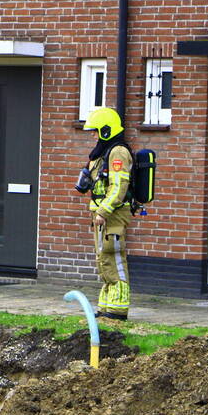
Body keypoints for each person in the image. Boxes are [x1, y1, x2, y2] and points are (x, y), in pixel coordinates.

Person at [79, 106, 133, 321]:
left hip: (112, 214)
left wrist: (103, 211)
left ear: (106, 130)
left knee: (113, 256)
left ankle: (118, 309)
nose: (93, 135)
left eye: (96, 131)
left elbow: (118, 187)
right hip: (101, 215)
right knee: (103, 259)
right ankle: (107, 307)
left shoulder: (118, 152)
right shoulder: (102, 152)